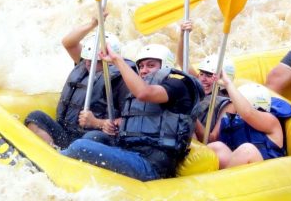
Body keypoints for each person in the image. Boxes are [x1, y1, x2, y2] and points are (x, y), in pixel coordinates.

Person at [61, 44, 203, 181]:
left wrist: (117, 60)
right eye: (141, 66)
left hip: (151, 164)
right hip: (131, 151)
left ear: (165, 65)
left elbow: (144, 93)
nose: (144, 70)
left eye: (151, 65)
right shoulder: (143, 88)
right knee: (94, 137)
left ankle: (55, 163)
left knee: (80, 147)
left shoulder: (178, 85)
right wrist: (114, 127)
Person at [24, 19, 130, 148]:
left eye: (93, 60)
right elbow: (69, 43)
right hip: (67, 132)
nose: (87, 63)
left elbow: (130, 121)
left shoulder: (123, 79)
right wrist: (93, 23)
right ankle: (54, 155)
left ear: (109, 59)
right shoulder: (85, 65)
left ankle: (70, 158)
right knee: (36, 117)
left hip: (94, 138)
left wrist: (97, 123)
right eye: (86, 59)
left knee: (89, 139)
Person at [207, 79, 291, 169]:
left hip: (268, 170)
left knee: (247, 150)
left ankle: (219, 182)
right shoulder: (237, 119)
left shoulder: (271, 121)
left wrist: (228, 83)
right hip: (242, 169)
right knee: (217, 147)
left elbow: (248, 113)